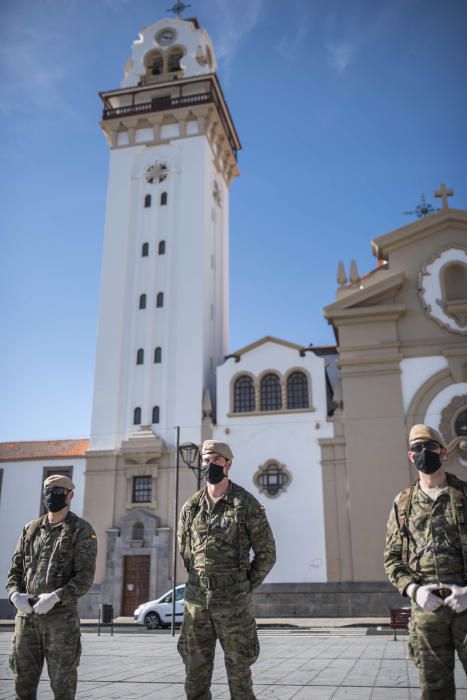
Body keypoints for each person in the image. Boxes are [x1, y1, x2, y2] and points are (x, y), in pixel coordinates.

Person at [177, 439, 276, 700]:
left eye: (216, 461)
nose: (210, 466)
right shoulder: (191, 507)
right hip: (197, 603)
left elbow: (267, 553)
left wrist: (242, 584)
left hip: (233, 603)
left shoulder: (246, 504)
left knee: (239, 676)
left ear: (228, 464)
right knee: (194, 679)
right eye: (206, 461)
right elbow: (185, 552)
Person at [384, 424, 467, 699]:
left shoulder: (463, 494)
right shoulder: (403, 502)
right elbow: (392, 559)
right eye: (416, 448)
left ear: (443, 452)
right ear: (410, 456)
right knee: (435, 691)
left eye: (429, 447)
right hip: (426, 613)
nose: (423, 452)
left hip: (466, 605)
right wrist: (415, 591)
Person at [6, 474, 97, 700]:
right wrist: (14, 595)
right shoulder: (30, 529)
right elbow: (15, 570)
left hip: (61, 621)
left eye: (56, 494)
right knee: (22, 683)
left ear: (69, 496)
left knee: (62, 684)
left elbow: (84, 577)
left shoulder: (81, 530)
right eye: (47, 493)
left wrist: (56, 597)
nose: (50, 498)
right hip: (26, 620)